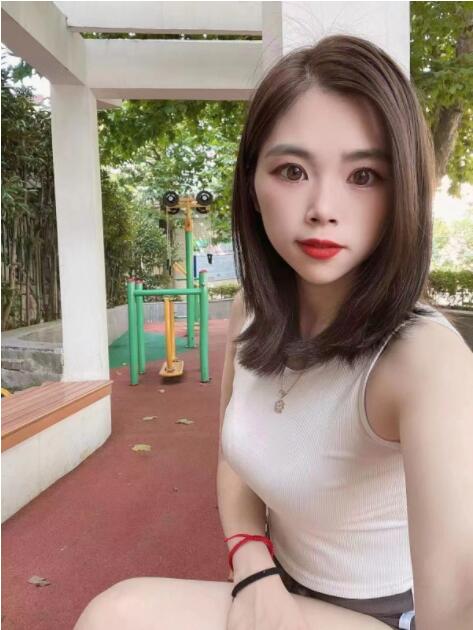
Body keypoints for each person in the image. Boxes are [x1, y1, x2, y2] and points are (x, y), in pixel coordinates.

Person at [74, 34, 473, 630]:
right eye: (292, 170)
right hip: (275, 586)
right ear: (253, 188)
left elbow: (458, 601)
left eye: (365, 175)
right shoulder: (252, 311)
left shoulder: (424, 358)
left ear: (405, 193)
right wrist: (253, 567)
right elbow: (236, 458)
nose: (322, 207)